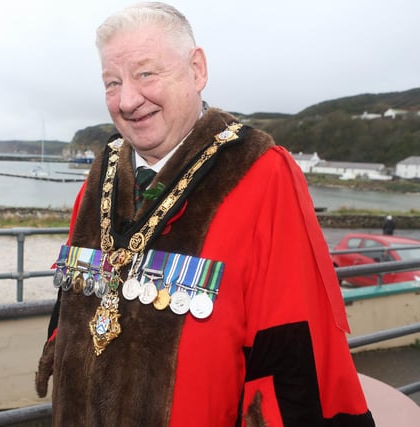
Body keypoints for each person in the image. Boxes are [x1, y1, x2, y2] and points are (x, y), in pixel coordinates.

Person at [36, 3, 375, 426]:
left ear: (197, 69)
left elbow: (296, 344)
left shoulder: (261, 173)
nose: (126, 99)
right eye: (112, 82)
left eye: (146, 74)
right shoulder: (100, 174)